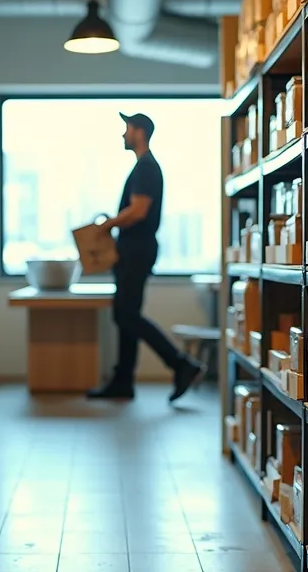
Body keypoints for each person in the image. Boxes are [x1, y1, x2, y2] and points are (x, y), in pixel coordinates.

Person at [87, 113, 204, 402]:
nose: (123, 134)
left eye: (126, 128)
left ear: (139, 132)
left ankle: (180, 364)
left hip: (136, 249)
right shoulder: (143, 167)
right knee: (126, 315)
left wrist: (108, 224)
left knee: (125, 314)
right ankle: (123, 381)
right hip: (133, 248)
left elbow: (138, 211)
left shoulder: (146, 168)